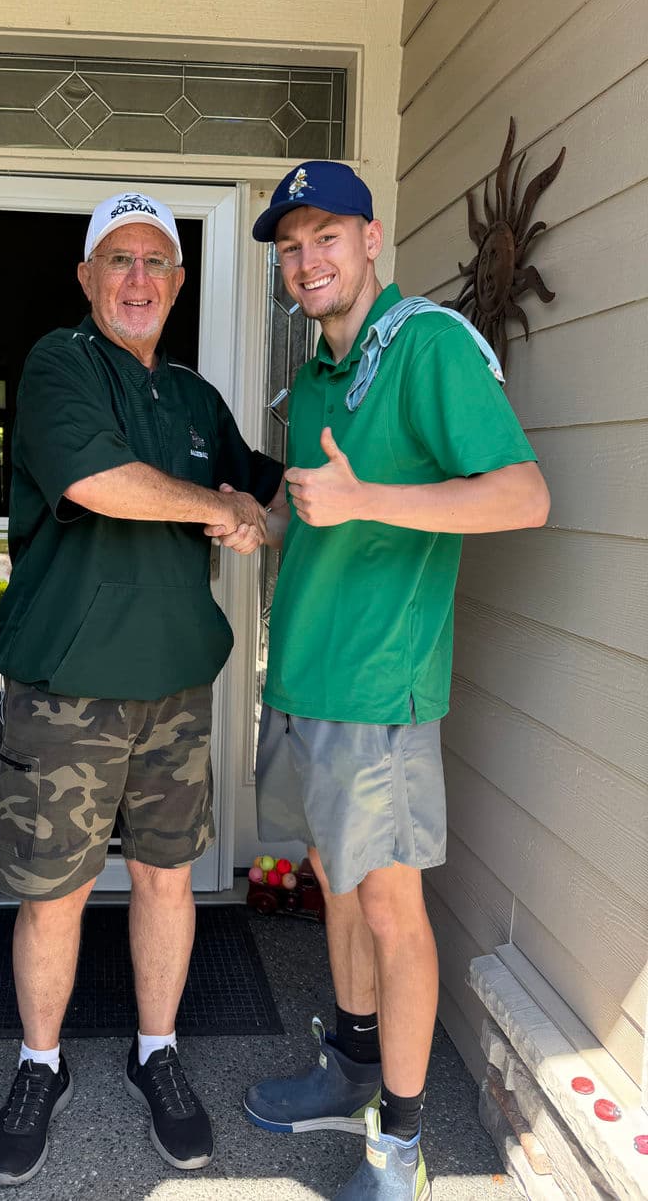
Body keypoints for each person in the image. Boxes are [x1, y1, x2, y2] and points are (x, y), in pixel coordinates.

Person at [240, 162, 549, 1199]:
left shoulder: (426, 344)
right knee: (337, 881)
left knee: (392, 910)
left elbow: (521, 495)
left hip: (381, 694)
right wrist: (269, 520)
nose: (306, 260)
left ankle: (402, 1145)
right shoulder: (317, 376)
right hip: (306, 683)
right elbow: (327, 517)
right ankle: (352, 1064)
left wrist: (367, 499)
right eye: (290, 247)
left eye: (326, 236)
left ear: (372, 239)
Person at [0, 190, 282, 1187]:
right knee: (57, 892)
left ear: (180, 281)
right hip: (69, 688)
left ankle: (156, 1049)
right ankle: (39, 1064)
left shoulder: (194, 399)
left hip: (173, 690)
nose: (140, 279)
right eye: (120, 259)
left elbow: (262, 496)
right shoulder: (60, 363)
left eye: (158, 261)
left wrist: (270, 515)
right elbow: (95, 480)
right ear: (87, 277)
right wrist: (216, 506)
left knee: (166, 877)